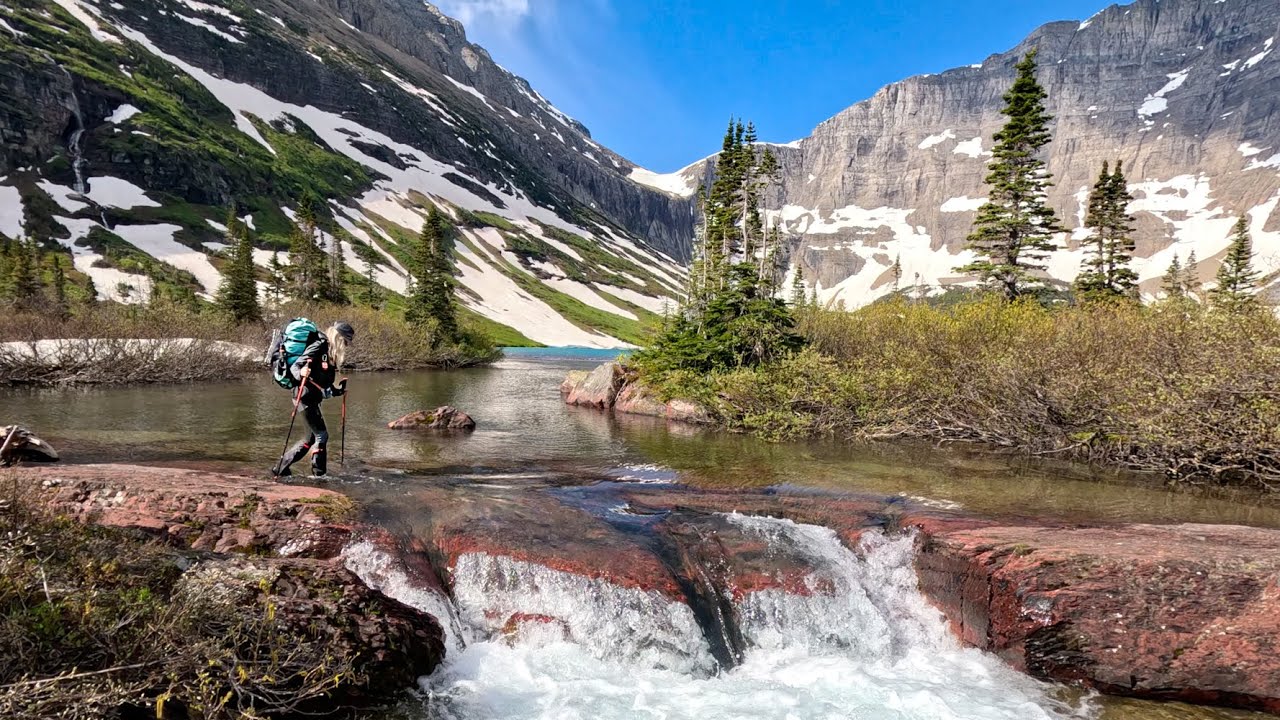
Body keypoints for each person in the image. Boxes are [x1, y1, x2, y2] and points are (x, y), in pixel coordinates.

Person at [272, 321, 354, 478]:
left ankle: (280, 469)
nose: (346, 346)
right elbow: (296, 367)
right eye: (345, 341)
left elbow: (322, 384)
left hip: (311, 397)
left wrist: (338, 391)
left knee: (309, 439)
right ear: (339, 338)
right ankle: (319, 475)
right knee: (322, 436)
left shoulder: (328, 353)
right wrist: (301, 373)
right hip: (304, 396)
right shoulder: (319, 345)